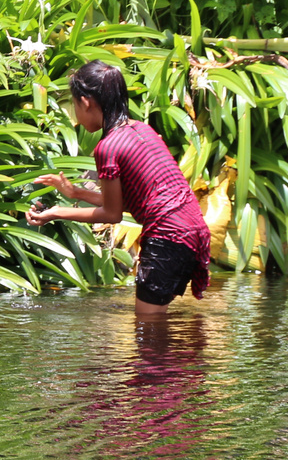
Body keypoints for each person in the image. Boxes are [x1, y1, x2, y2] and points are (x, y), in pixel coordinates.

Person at [26, 60, 209, 317]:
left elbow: (111, 215)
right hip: (193, 230)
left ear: (86, 102)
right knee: (158, 325)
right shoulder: (142, 130)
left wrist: (55, 212)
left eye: (75, 105)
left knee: (148, 330)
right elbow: (129, 200)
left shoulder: (107, 147)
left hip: (168, 237)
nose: (76, 115)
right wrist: (75, 193)